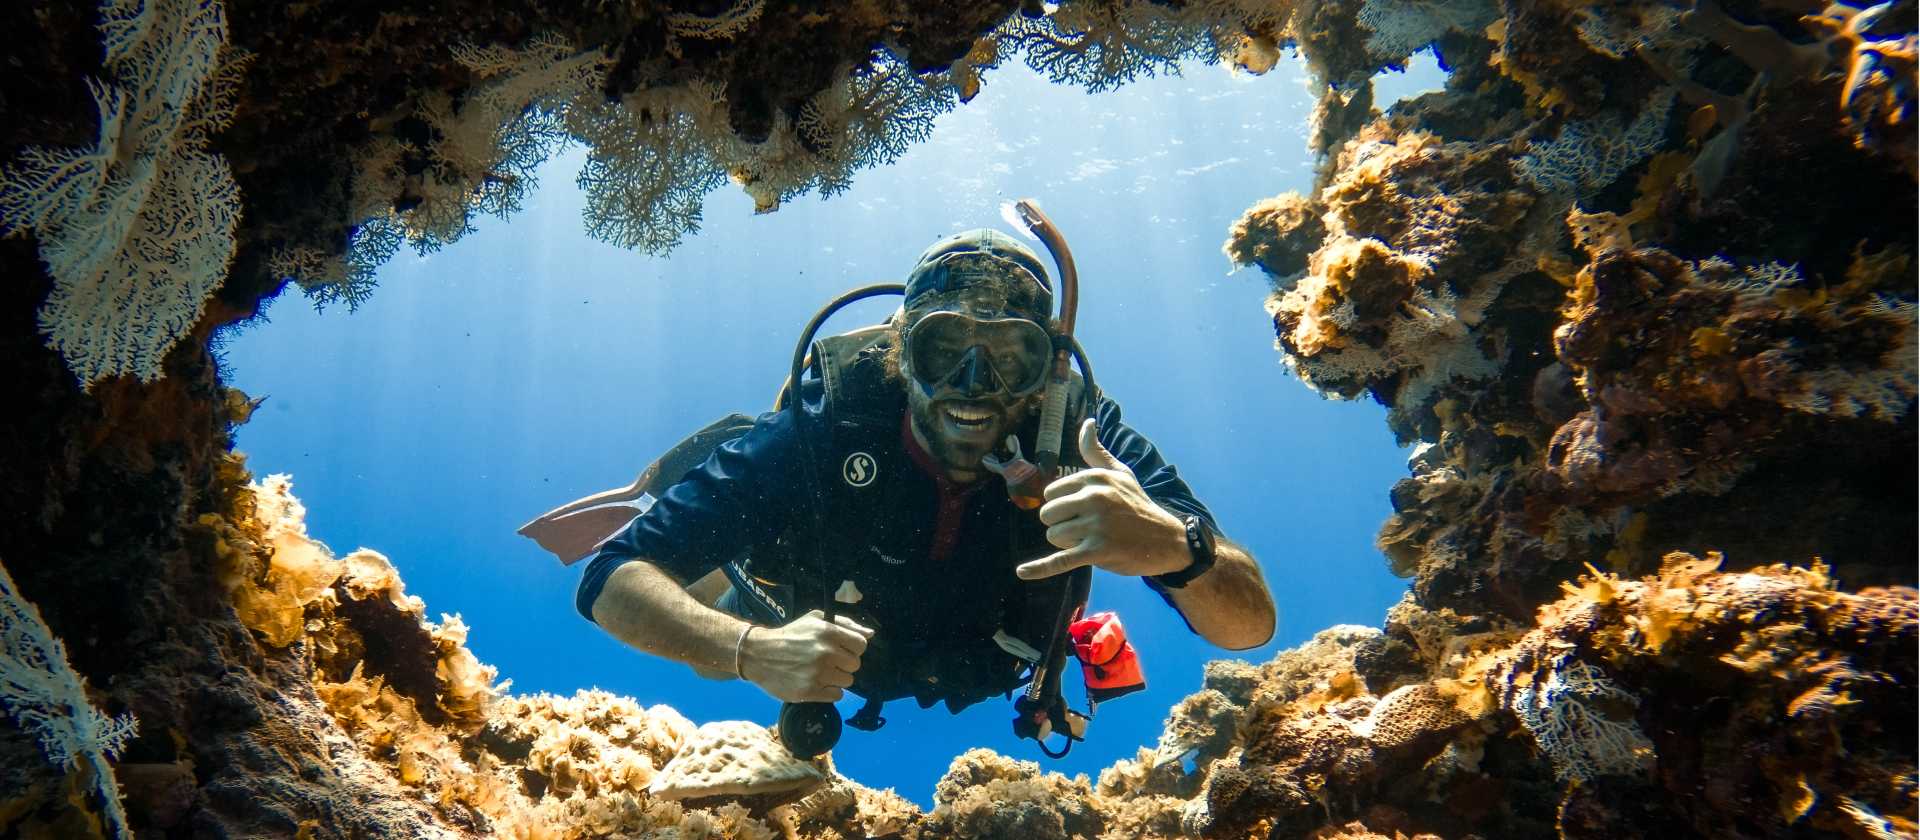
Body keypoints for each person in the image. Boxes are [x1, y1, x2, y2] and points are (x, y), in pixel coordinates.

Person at [574, 228, 1276, 723]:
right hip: (811, 626)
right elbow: (610, 577)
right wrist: (749, 649)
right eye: (943, 349)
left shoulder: (1086, 439)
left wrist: (1180, 547)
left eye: (1010, 356)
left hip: (990, 657)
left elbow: (1249, 628)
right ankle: (720, 547)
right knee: (709, 647)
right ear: (898, 354)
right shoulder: (829, 425)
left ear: (1046, 372)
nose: (973, 386)